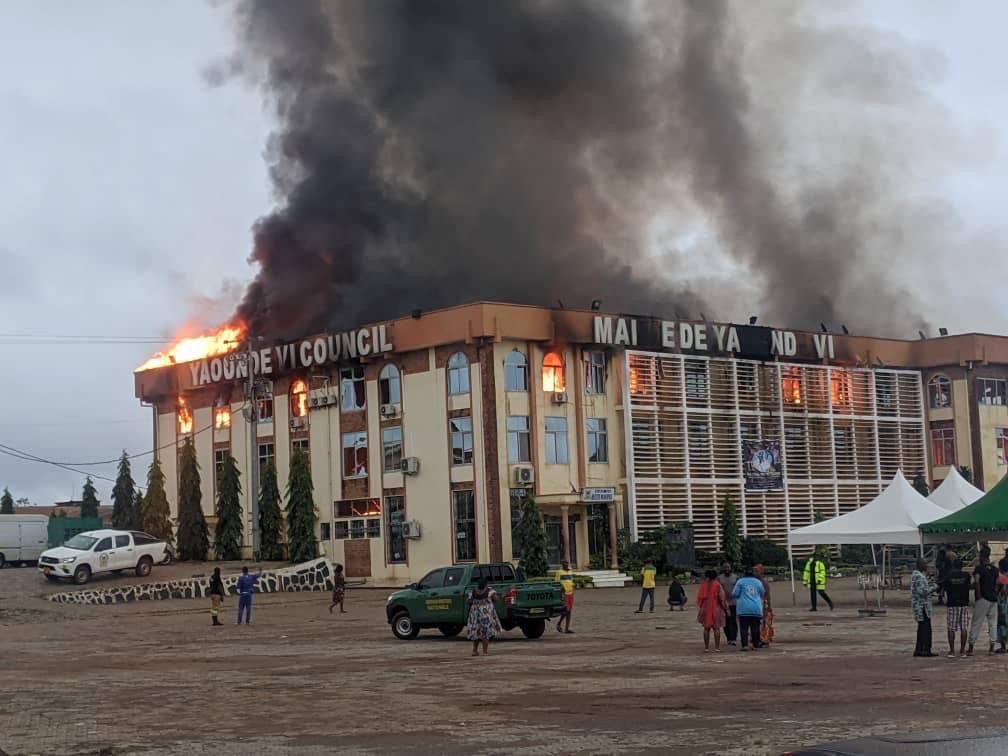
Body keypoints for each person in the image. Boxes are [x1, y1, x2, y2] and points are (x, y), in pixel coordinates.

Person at [968, 546, 999, 656]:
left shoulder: (979, 569)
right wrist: (995, 594)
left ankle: (971, 647)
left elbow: (976, 582)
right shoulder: (995, 569)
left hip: (983, 599)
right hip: (993, 599)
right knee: (993, 624)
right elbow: (996, 584)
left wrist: (979, 595)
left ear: (981, 556)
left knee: (976, 623)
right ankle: (992, 647)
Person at [465, 576, 503, 656]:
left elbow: (468, 601)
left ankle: (474, 651)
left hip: (474, 614)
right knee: (485, 632)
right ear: (486, 584)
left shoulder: (473, 591)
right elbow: (496, 599)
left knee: (476, 632)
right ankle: (485, 651)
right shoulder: (490, 591)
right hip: (485, 614)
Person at [943, 557, 972, 657]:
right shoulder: (966, 575)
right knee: (964, 628)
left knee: (951, 628)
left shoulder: (948, 576)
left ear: (953, 565)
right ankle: (963, 651)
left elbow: (945, 590)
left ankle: (951, 651)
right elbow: (969, 586)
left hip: (952, 604)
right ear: (962, 566)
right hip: (964, 604)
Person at [733, 566, 766, 651]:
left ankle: (745, 645)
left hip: (743, 609)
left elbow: (735, 594)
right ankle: (755, 644)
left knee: (743, 628)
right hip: (756, 608)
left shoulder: (740, 582)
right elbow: (762, 593)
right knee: (755, 628)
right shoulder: (758, 582)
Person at [911, 557, 938, 657]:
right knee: (925, 629)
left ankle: (920, 649)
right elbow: (922, 592)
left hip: (921, 605)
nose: (926, 566)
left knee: (922, 628)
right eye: (924, 564)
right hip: (922, 606)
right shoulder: (918, 576)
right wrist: (934, 588)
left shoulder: (919, 575)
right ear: (919, 565)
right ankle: (925, 649)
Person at [696, 569, 728, 652]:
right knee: (716, 628)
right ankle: (717, 647)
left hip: (705, 608)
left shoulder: (703, 585)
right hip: (716, 608)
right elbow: (722, 598)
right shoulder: (717, 585)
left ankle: (706, 647)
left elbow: (700, 598)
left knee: (706, 628)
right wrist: (726, 608)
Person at [718, 564, 739, 645]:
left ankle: (734, 638)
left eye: (728, 567)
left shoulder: (736, 577)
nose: (727, 569)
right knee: (726, 621)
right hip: (723, 603)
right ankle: (729, 638)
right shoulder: (719, 578)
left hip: (734, 603)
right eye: (725, 567)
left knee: (733, 621)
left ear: (731, 568)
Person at [754, 564, 773, 646]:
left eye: (756, 571)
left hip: (763, 605)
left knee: (764, 623)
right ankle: (756, 638)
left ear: (761, 572)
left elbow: (768, 595)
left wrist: (769, 607)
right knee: (755, 623)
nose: (754, 573)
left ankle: (764, 638)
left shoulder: (764, 582)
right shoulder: (753, 581)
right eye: (754, 571)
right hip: (755, 605)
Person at [554, 560, 575, 634]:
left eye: (567, 563)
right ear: (562, 564)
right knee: (566, 610)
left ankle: (567, 628)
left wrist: (573, 587)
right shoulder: (559, 572)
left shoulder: (570, 572)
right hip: (564, 593)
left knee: (569, 611)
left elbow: (571, 581)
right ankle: (559, 624)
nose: (566, 564)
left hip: (571, 593)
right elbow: (556, 582)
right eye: (564, 563)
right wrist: (561, 589)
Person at [997, 562, 1008, 654]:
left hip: (1004, 603)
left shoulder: (1002, 578)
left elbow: (1003, 590)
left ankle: (1003, 646)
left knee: (1002, 624)